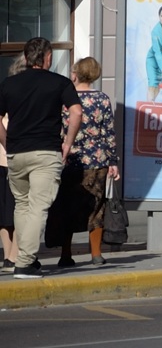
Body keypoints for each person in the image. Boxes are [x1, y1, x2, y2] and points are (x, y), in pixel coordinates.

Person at [0, 37, 83, 278]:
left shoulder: (9, 84)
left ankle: (26, 258)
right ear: (48, 58)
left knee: (23, 204)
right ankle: (25, 262)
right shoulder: (60, 83)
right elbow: (76, 112)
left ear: (26, 59)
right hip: (46, 151)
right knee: (38, 206)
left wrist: (7, 143)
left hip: (17, 153)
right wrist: (68, 143)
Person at [46, 57, 119, 268]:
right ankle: (96, 254)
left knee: (67, 206)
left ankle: (66, 255)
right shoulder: (103, 99)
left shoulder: (66, 98)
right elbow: (108, 134)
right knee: (96, 207)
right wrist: (113, 161)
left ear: (76, 73)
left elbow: (58, 129)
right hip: (98, 161)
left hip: (70, 160)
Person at [1, 56, 23, 273]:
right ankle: (14, 255)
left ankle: (8, 256)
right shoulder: (22, 97)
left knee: (5, 210)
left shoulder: (5, 92)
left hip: (3, 157)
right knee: (19, 208)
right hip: (15, 157)